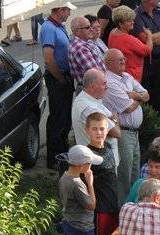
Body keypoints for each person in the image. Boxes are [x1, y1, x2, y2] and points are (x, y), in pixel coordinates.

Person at [102, 49, 149, 205]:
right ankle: (123, 209)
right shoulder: (110, 82)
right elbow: (127, 108)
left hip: (134, 133)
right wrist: (140, 97)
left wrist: (135, 95)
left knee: (135, 174)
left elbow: (147, 94)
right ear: (109, 63)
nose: (124, 61)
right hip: (123, 133)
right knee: (124, 175)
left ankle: (135, 207)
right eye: (119, 60)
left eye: (123, 58)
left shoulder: (127, 76)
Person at [41, 3, 77, 171]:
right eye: (67, 10)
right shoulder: (49, 28)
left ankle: (63, 154)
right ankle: (54, 158)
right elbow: (48, 59)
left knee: (65, 119)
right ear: (60, 10)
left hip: (64, 77)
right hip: (57, 79)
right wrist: (61, 78)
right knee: (58, 120)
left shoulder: (58, 26)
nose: (69, 13)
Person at [85, 112, 120, 235]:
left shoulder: (109, 148)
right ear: (87, 131)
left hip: (113, 205)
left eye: (102, 129)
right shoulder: (87, 155)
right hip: (99, 210)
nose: (99, 132)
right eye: (95, 129)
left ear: (107, 130)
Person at [59, 145, 102, 235]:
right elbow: (91, 205)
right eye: (89, 163)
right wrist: (90, 183)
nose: (91, 165)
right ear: (81, 165)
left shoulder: (65, 177)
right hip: (81, 229)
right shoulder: (77, 183)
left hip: (70, 223)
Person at [131, 0, 160, 111]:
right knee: (145, 92)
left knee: (159, 93)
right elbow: (143, 39)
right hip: (144, 62)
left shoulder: (159, 13)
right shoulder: (136, 15)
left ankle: (158, 118)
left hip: (159, 60)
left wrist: (151, 40)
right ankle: (146, 119)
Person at [72, 69, 122, 150]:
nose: (107, 87)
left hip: (103, 155)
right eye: (103, 84)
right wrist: (114, 122)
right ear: (92, 87)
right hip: (97, 157)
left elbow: (113, 124)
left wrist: (111, 125)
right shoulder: (89, 107)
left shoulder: (92, 100)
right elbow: (117, 133)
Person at [108, 6, 153, 83]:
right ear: (120, 24)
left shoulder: (113, 32)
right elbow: (147, 50)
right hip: (131, 77)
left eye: (132, 19)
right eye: (129, 21)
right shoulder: (128, 39)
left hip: (118, 74)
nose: (132, 22)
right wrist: (149, 34)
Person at [68, 16, 106, 86]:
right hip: (93, 87)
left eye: (90, 26)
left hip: (93, 86)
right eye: (87, 27)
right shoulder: (81, 48)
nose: (91, 29)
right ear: (77, 31)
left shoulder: (81, 44)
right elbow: (96, 74)